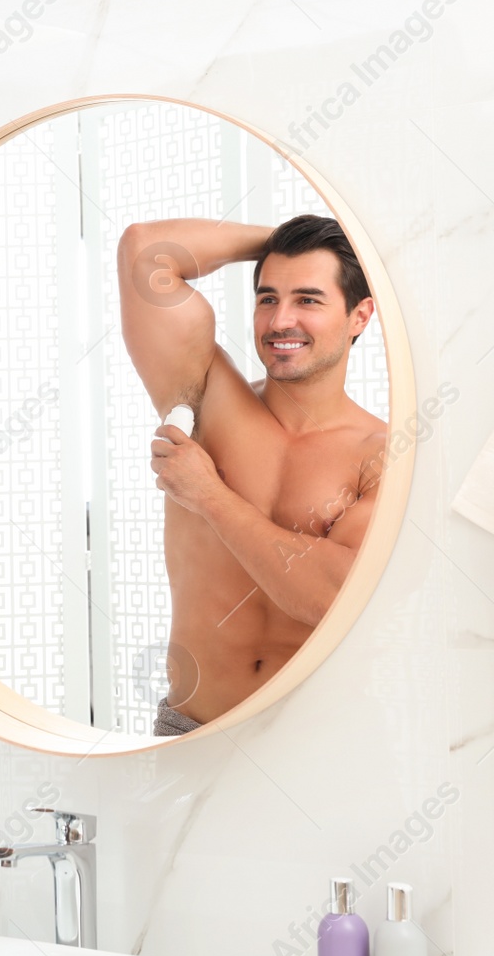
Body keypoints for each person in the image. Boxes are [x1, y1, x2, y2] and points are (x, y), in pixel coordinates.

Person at [117, 215, 386, 735]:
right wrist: (285, 241)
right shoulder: (205, 395)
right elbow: (146, 251)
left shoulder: (380, 453)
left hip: (314, 740)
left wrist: (209, 495)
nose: (280, 320)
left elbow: (329, 597)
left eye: (308, 299)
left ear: (359, 316)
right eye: (267, 298)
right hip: (191, 727)